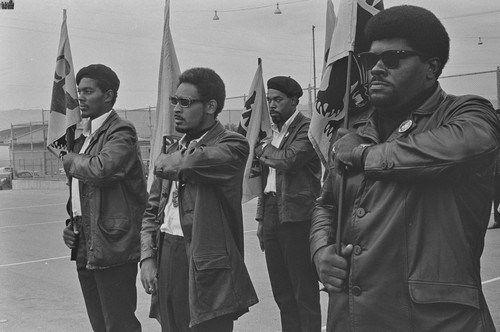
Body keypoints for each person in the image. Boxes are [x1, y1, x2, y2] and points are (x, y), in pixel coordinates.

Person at [310, 5, 499, 331]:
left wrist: (362, 155)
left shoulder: (467, 113)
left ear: (431, 67)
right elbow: (326, 204)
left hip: (435, 322)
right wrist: (321, 250)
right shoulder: (355, 131)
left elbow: (462, 147)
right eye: (371, 61)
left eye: (393, 58)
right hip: (352, 317)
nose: (378, 69)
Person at [140, 67, 258, 332]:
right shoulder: (173, 149)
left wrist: (165, 160)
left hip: (207, 264)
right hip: (168, 255)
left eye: (186, 102)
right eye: (174, 101)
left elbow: (190, 164)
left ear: (210, 106)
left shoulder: (233, 144)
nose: (177, 109)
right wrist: (147, 257)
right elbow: (151, 211)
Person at [61, 64, 147, 332]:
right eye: (79, 91)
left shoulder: (121, 130)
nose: (81, 98)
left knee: (119, 324)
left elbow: (102, 169)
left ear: (108, 96)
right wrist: (71, 222)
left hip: (113, 242)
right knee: (99, 323)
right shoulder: (84, 135)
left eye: (88, 91)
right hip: (86, 239)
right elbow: (82, 190)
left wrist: (70, 159)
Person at [254, 76, 322, 332]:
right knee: (282, 293)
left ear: (294, 101)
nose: (272, 105)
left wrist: (262, 149)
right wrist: (261, 219)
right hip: (272, 212)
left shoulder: (308, 128)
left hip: (297, 216)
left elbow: (290, 159)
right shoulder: (272, 132)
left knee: (303, 291)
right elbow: (266, 180)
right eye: (269, 100)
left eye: (278, 100)